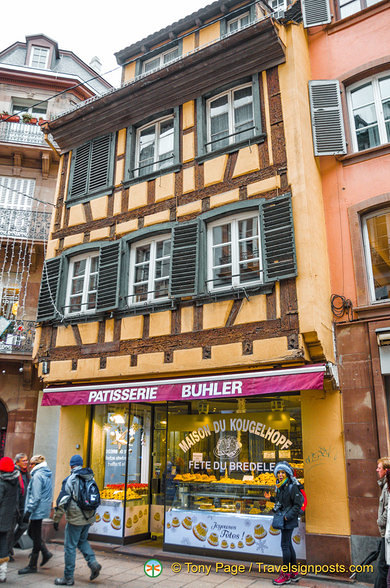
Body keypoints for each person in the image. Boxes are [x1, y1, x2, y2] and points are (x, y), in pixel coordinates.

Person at [53, 455, 101, 586]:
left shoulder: (70, 480)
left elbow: (62, 502)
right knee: (82, 540)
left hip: (75, 518)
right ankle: (93, 563)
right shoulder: (90, 477)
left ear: (71, 465)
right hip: (88, 516)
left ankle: (68, 577)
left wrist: (56, 519)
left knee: (70, 547)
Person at [264, 461, 303, 585]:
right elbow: (282, 501)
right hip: (284, 518)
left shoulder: (292, 486)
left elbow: (297, 505)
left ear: (287, 474)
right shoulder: (281, 486)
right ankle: (294, 573)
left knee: (285, 545)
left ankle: (285, 575)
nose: (280, 475)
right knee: (288, 545)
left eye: (283, 472)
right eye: (279, 472)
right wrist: (270, 498)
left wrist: (287, 517)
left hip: (287, 519)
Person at [18, 455, 53, 575]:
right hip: (41, 508)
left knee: (35, 534)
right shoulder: (46, 474)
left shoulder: (38, 475)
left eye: (31, 464)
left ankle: (33, 565)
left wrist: (29, 511)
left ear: (36, 465)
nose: (29, 466)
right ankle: (45, 552)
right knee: (33, 532)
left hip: (37, 509)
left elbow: (36, 496)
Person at [0, 457, 23, 583]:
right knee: (3, 545)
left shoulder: (2, 483)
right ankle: (2, 574)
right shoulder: (15, 482)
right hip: (7, 519)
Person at [7, 453, 30, 557]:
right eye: (23, 461)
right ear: (17, 462)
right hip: (14, 507)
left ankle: (9, 546)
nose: (26, 462)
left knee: (24, 526)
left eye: (26, 460)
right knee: (10, 530)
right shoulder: (14, 473)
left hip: (23, 507)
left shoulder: (27, 474)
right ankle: (6, 551)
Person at [377, 458, 390, 588]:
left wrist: (380, 521)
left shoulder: (387, 486)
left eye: (379, 468)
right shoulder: (385, 485)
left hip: (387, 533)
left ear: (386, 471)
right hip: (385, 532)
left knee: (382, 566)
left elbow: (388, 508)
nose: (377, 470)